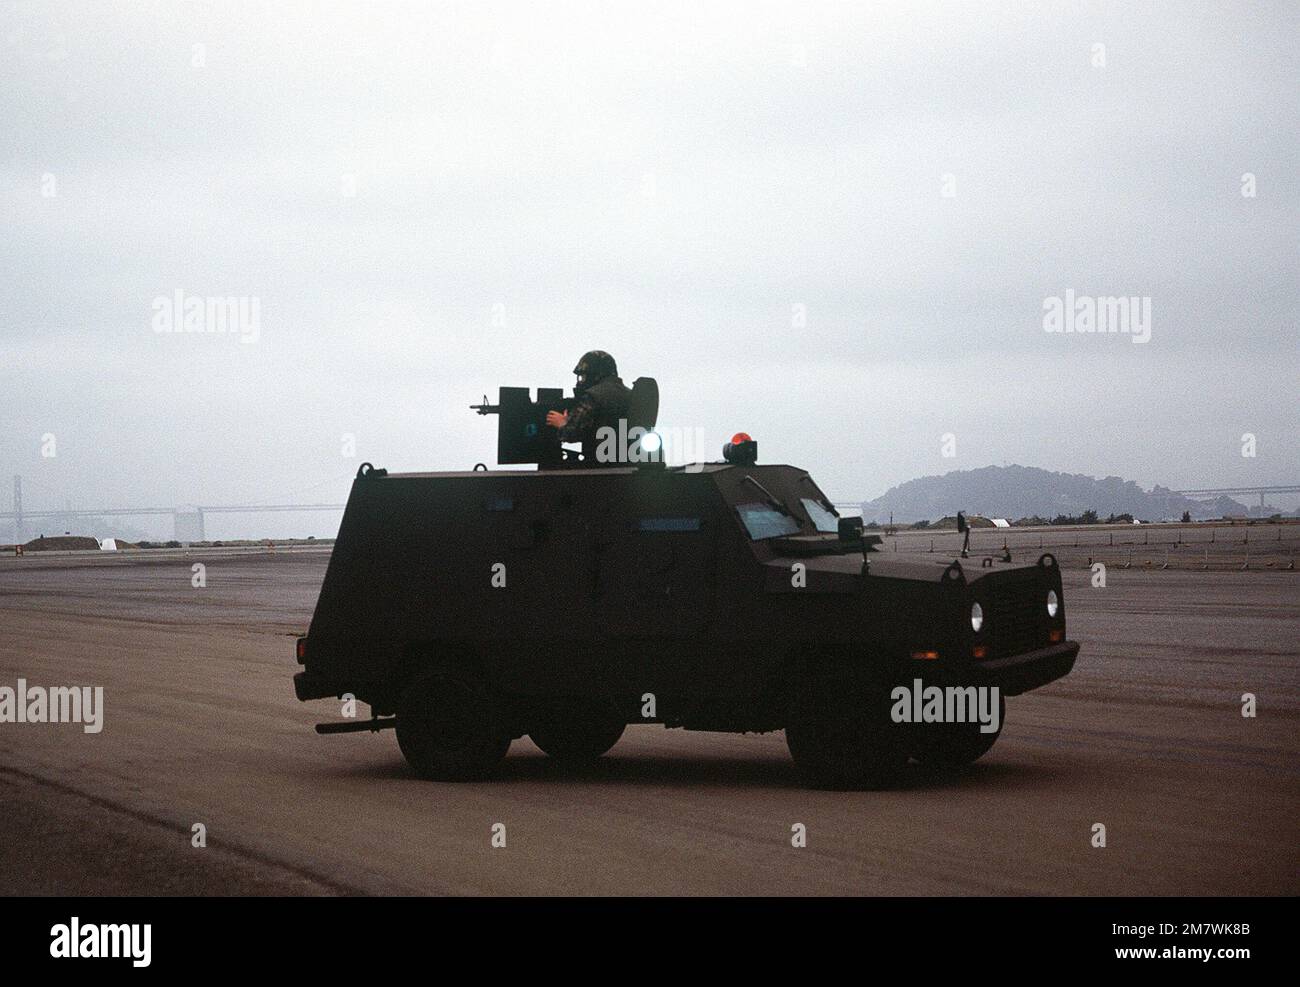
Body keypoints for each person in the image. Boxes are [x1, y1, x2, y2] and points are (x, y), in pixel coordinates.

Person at [545, 350, 631, 463]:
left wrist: (562, 424)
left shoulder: (593, 396)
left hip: (598, 465)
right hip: (627, 461)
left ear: (593, 374)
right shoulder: (629, 394)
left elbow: (572, 433)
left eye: (583, 376)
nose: (580, 382)